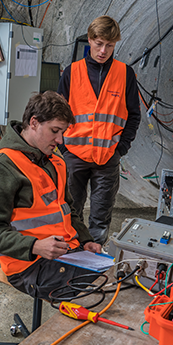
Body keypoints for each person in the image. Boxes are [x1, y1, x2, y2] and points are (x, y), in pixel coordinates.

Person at [0, 91, 102, 300]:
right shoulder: (1, 167)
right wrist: (35, 246)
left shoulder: (55, 161)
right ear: (34, 123)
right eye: (55, 131)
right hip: (27, 265)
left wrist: (86, 239)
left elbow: (67, 208)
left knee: (113, 276)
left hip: (67, 251)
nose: (60, 140)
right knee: (97, 293)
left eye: (62, 132)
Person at [57, 15, 141, 245]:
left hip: (108, 156)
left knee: (101, 213)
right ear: (90, 40)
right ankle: (72, 251)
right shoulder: (71, 73)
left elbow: (133, 115)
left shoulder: (125, 74)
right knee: (70, 209)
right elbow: (57, 113)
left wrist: (121, 148)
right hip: (74, 155)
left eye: (110, 45)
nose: (104, 50)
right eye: (99, 43)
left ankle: (94, 255)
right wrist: (63, 147)